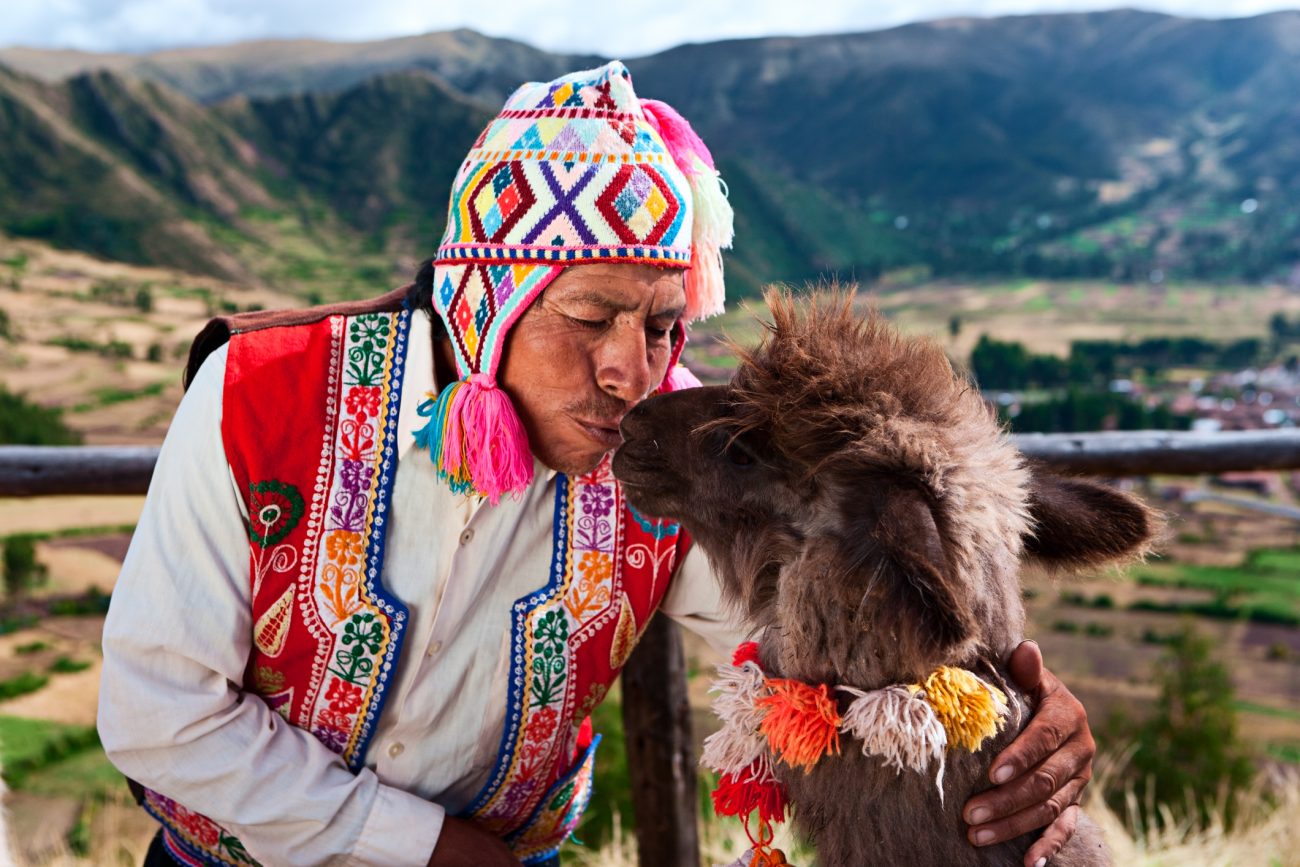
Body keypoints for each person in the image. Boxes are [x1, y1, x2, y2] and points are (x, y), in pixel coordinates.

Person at [99, 61, 1095, 867]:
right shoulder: (257, 395)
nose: (633, 370)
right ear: (483, 302)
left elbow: (823, 637)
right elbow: (158, 715)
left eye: (664, 325)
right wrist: (432, 851)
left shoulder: (677, 466)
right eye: (588, 318)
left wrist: (1020, 713)